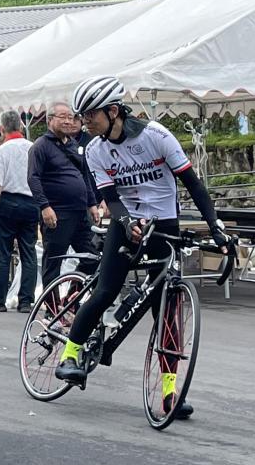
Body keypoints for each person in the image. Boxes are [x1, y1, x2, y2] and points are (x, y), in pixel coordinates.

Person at [52, 76, 233, 419]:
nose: (84, 122)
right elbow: (111, 198)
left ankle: (168, 393)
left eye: (90, 115)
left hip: (164, 223)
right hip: (126, 222)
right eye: (82, 116)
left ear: (114, 111)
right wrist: (126, 224)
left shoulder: (157, 136)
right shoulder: (94, 149)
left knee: (166, 312)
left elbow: (193, 184)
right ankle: (70, 354)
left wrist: (216, 228)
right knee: (106, 290)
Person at [29, 101, 95, 286]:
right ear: (50, 120)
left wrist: (92, 203)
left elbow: (84, 175)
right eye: (63, 117)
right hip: (57, 213)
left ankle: (72, 299)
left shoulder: (73, 144)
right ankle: (52, 309)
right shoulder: (41, 146)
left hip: (80, 212)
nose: (68, 121)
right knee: (54, 262)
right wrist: (45, 206)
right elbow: (33, 178)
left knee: (92, 258)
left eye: (71, 117)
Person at [0, 110, 40, 312]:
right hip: (32, 202)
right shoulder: (34, 148)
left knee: (3, 253)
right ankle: (26, 301)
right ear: (21, 126)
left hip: (8, 202)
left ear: (2, 129)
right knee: (28, 252)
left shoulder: (2, 151)